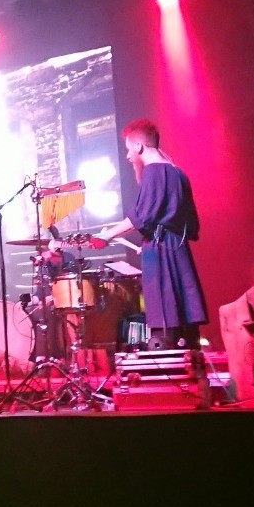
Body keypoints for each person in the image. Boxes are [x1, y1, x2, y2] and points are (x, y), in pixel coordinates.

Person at [92, 119, 208, 348]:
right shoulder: (177, 173)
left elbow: (142, 216)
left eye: (128, 149)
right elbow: (191, 224)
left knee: (165, 321)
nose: (127, 156)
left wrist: (107, 235)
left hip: (161, 252)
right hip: (179, 250)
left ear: (139, 146)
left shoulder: (154, 172)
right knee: (184, 322)